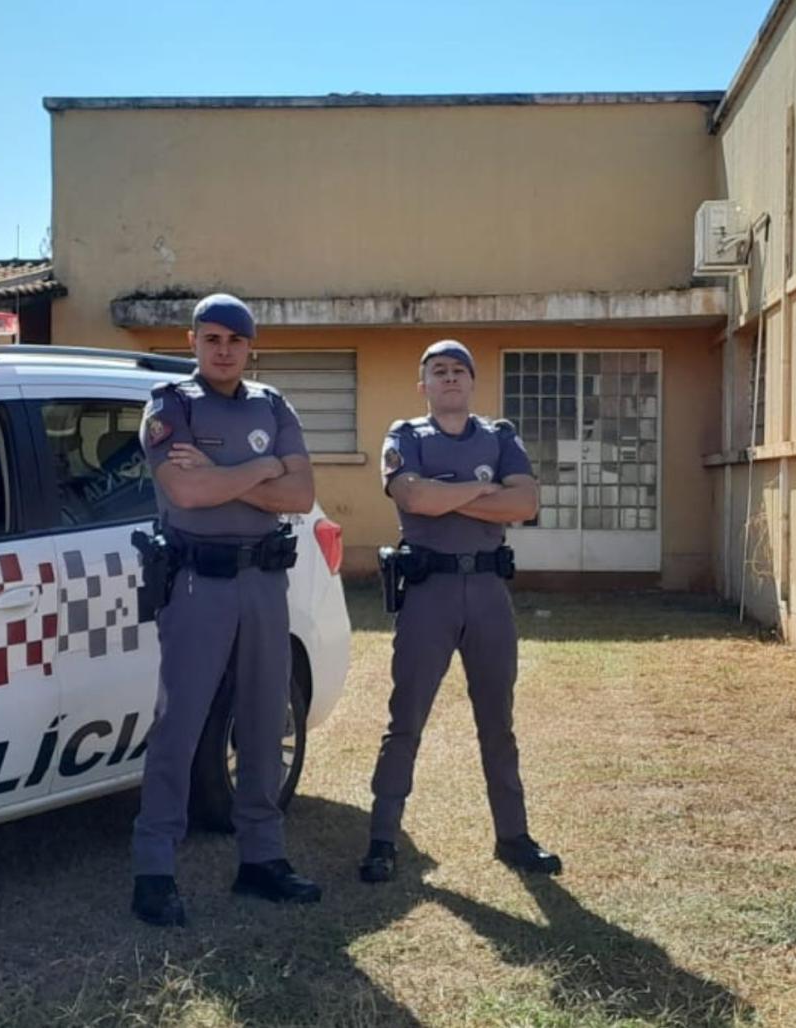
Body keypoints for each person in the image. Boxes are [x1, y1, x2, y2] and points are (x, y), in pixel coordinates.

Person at [131, 293, 322, 926]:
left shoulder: (273, 405)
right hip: (198, 584)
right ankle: (155, 868)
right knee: (179, 724)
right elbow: (185, 490)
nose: (223, 350)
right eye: (211, 339)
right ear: (193, 342)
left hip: (265, 582)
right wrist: (262, 468)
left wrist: (229, 470)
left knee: (266, 720)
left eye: (234, 341)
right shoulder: (171, 405)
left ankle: (262, 860)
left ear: (250, 347)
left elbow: (301, 491)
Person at [361, 339, 563, 883]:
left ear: (472, 382)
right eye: (438, 371)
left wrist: (445, 491)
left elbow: (525, 503)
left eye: (459, 371)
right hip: (430, 592)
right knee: (406, 720)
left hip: (489, 593)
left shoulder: (498, 436)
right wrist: (481, 489)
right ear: (422, 384)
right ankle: (383, 839)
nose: (450, 378)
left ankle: (513, 836)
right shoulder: (406, 436)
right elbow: (413, 499)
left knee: (498, 721)